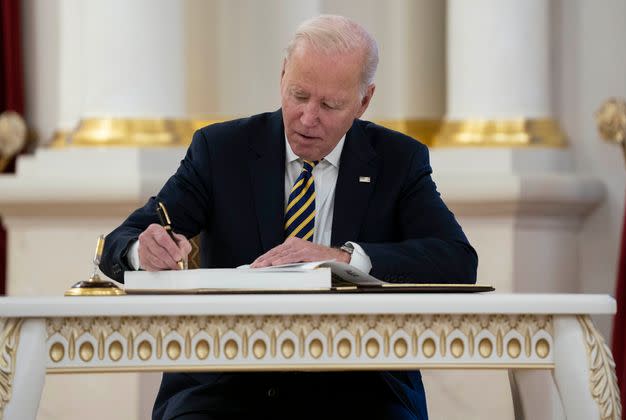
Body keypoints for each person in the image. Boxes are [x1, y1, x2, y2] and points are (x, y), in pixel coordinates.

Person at [100, 14, 477, 420]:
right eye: (299, 95)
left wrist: (344, 261)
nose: (308, 118)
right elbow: (123, 242)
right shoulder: (221, 150)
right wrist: (144, 250)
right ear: (282, 76)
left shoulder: (398, 161)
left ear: (364, 100)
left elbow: (457, 259)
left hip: (359, 385)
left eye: (330, 104)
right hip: (226, 382)